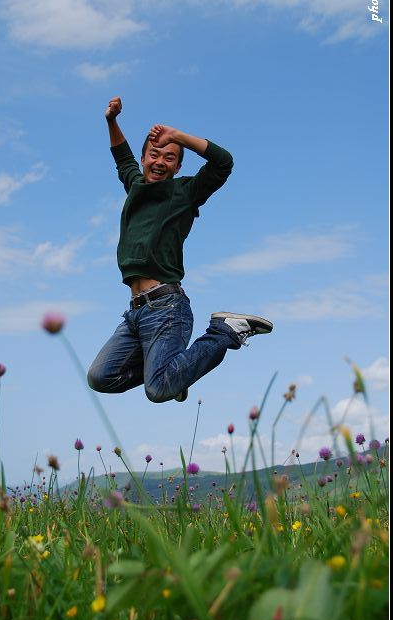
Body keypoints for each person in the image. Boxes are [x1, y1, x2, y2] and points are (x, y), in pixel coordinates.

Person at [87, 96, 273, 403]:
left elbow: (223, 162)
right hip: (135, 312)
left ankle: (224, 332)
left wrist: (177, 136)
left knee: (157, 391)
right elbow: (122, 157)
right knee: (101, 377)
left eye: (169, 158)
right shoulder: (135, 187)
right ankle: (177, 372)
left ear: (178, 166)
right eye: (154, 155)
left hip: (166, 308)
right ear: (145, 158)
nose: (160, 162)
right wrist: (111, 121)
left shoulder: (185, 193)